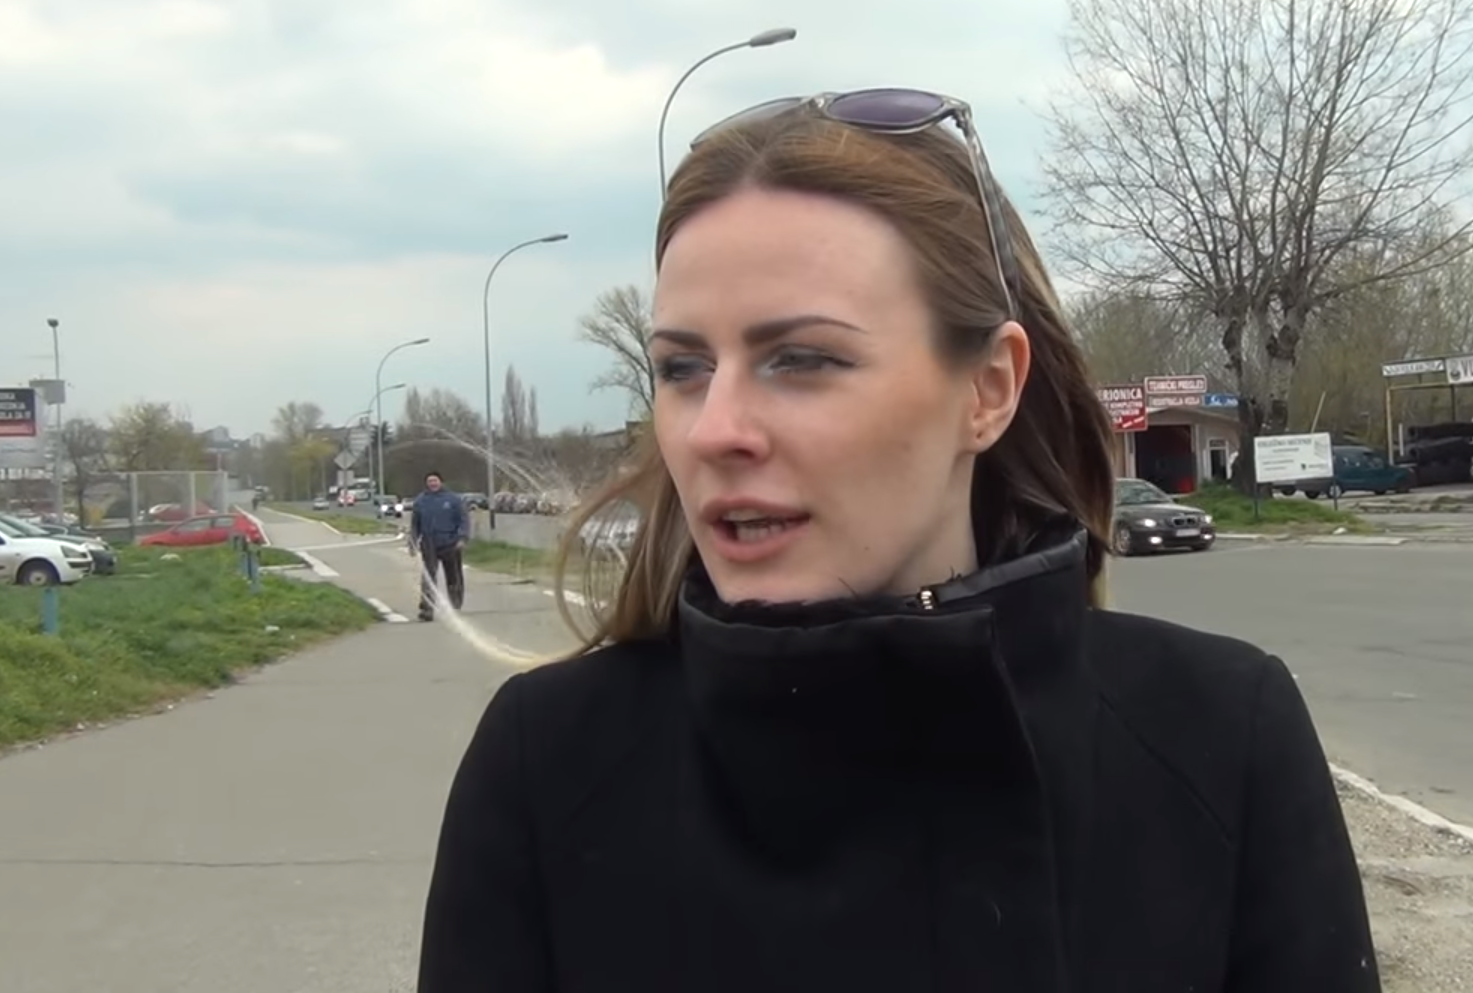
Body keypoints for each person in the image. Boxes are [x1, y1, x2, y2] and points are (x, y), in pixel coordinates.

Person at [418, 88, 1379, 991]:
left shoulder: (1217, 734)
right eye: (682, 368)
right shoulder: (548, 760)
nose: (715, 429)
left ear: (987, 389)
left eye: (801, 359)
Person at [408, 470, 468, 621]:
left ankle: (455, 603)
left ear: (441, 482)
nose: (432, 484)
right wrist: (413, 542)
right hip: (429, 543)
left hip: (450, 542)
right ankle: (427, 608)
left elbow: (463, 520)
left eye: (435, 481)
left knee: (453, 575)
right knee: (428, 576)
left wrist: (462, 538)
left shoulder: (453, 500)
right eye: (430, 481)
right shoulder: (421, 501)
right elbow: (415, 524)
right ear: (426, 484)